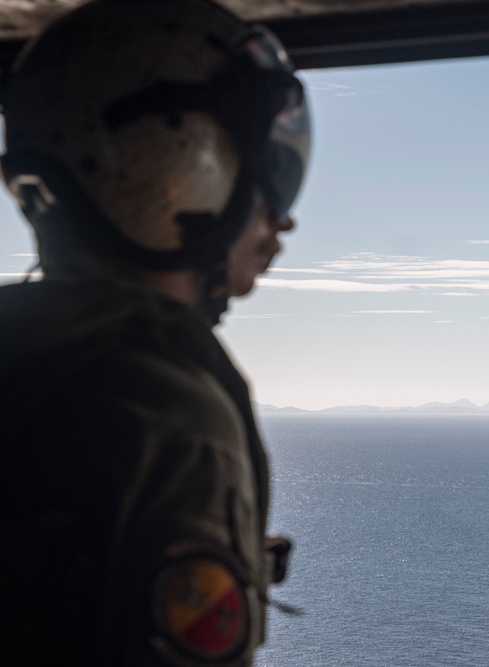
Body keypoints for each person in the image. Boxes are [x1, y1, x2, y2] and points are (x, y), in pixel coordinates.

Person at [0, 0, 310, 664]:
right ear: (181, 162)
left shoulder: (24, 349)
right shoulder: (165, 417)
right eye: (274, 180)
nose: (282, 224)